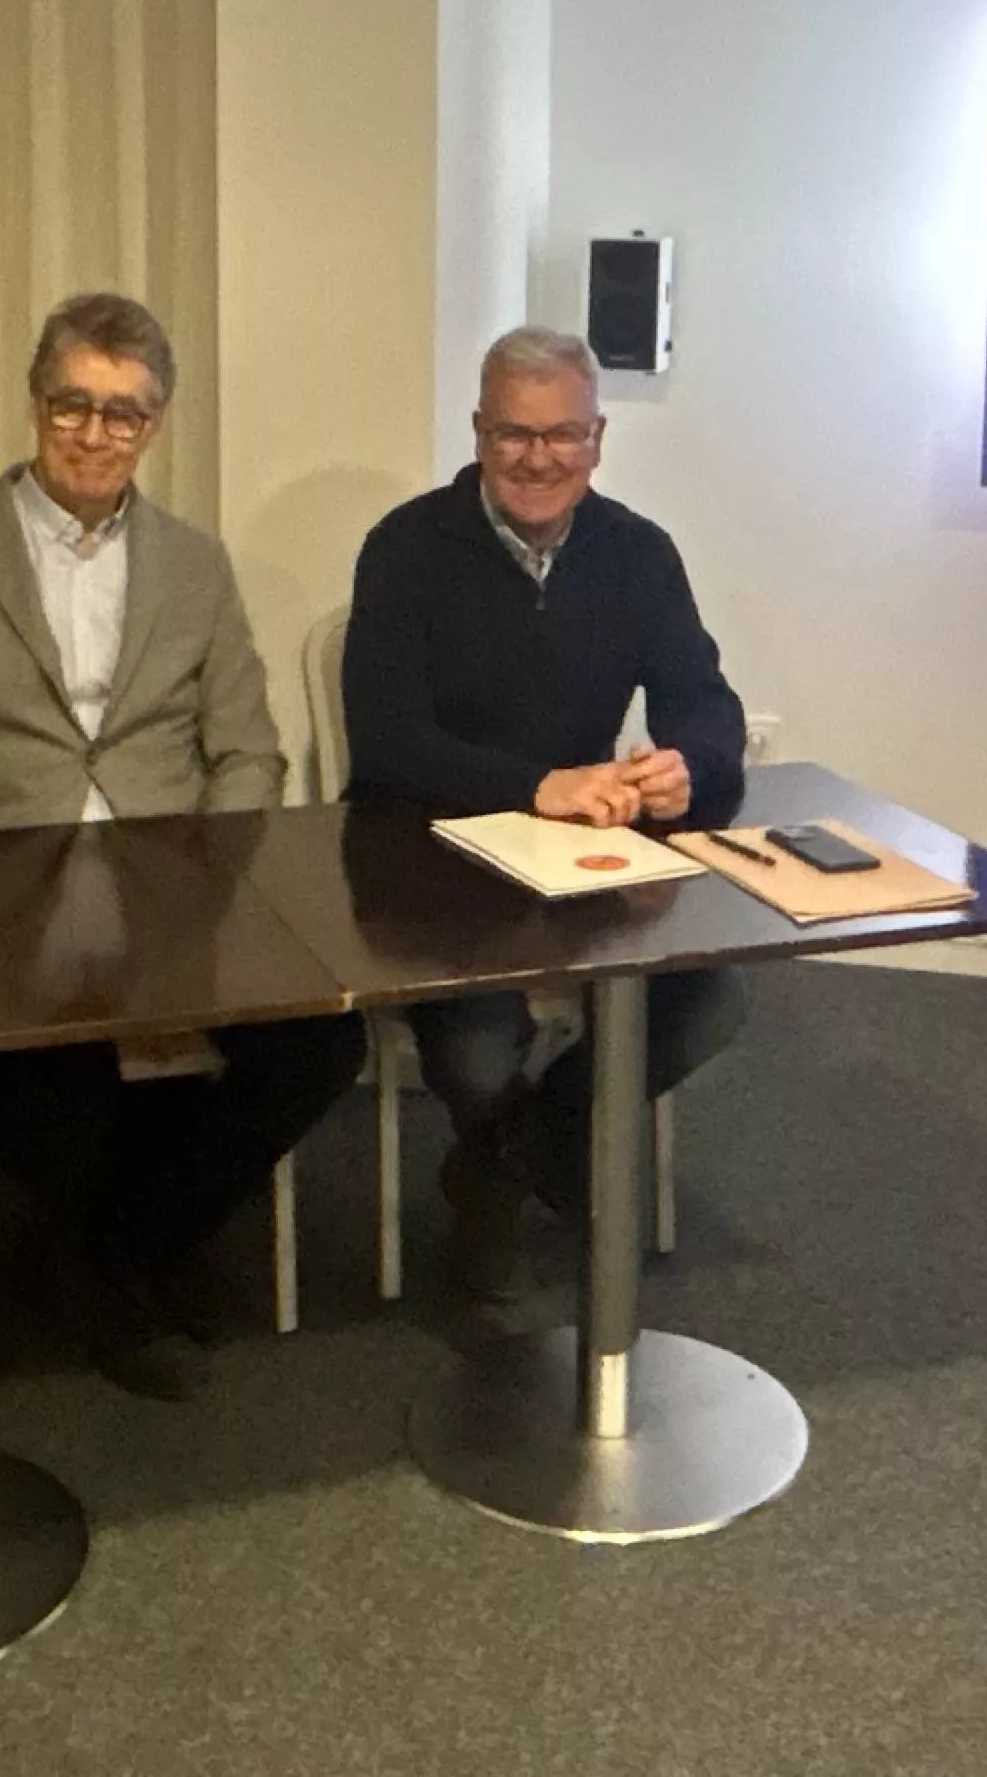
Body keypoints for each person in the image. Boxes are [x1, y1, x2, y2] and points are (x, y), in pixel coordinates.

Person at [0, 293, 365, 1398]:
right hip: (9, 889)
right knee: (61, 1081)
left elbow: (248, 752)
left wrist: (213, 888)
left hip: (176, 879)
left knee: (319, 1048)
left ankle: (120, 1245)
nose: (95, 434)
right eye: (73, 406)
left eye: (122, 414)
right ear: (36, 406)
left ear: (155, 425)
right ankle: (113, 1265)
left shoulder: (195, 563)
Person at [342, 326, 751, 1311]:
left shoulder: (638, 554)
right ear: (479, 431)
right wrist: (540, 782)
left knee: (707, 1002)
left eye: (563, 435)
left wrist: (685, 763)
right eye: (515, 434)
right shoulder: (405, 547)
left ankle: (503, 1163)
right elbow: (389, 742)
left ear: (599, 438)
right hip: (430, 862)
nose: (539, 458)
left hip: (581, 865)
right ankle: (534, 1165)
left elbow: (707, 700)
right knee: (479, 1050)